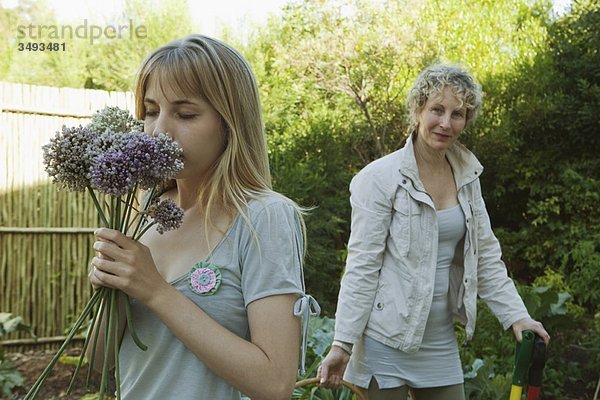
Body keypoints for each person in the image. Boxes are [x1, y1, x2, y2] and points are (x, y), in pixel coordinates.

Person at [87, 34, 316, 400]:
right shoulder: (142, 213)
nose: (159, 130)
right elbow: (100, 362)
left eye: (185, 114)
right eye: (150, 111)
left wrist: (156, 292)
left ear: (230, 122)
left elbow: (275, 384)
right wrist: (108, 288)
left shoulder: (264, 217)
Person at [317, 64, 550, 400]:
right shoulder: (379, 178)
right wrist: (343, 343)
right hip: (386, 344)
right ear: (417, 109)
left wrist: (518, 318)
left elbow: (485, 257)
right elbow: (362, 266)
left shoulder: (468, 177)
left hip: (440, 342)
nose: (446, 122)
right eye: (437, 110)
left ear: (466, 121)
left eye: (458, 114)